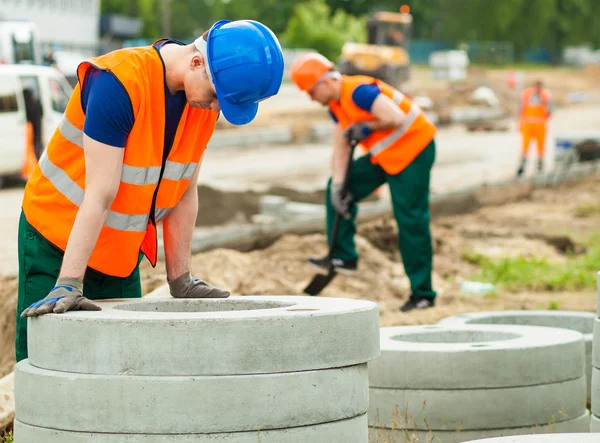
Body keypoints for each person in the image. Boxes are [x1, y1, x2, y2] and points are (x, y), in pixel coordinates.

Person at [16, 19, 284, 362]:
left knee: (122, 360)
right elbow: (100, 192)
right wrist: (69, 280)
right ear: (197, 62)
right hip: (57, 239)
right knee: (46, 357)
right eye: (217, 97)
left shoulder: (201, 101)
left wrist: (180, 278)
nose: (216, 108)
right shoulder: (118, 83)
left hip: (120, 253)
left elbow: (184, 189)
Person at [289, 52, 437, 312]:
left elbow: (396, 118)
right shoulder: (336, 106)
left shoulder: (359, 92)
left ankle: (422, 294)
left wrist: (367, 128)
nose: (312, 99)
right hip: (386, 155)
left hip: (414, 151)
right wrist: (339, 187)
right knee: (337, 190)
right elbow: (341, 149)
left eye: (311, 92)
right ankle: (343, 256)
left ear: (324, 82)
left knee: (410, 220)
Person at [517, 80, 552, 176]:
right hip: (528, 124)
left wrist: (543, 102)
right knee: (525, 146)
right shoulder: (527, 94)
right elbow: (522, 109)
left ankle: (540, 166)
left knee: (541, 146)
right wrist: (520, 124)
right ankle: (522, 166)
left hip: (540, 125)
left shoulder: (545, 95)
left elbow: (550, 111)